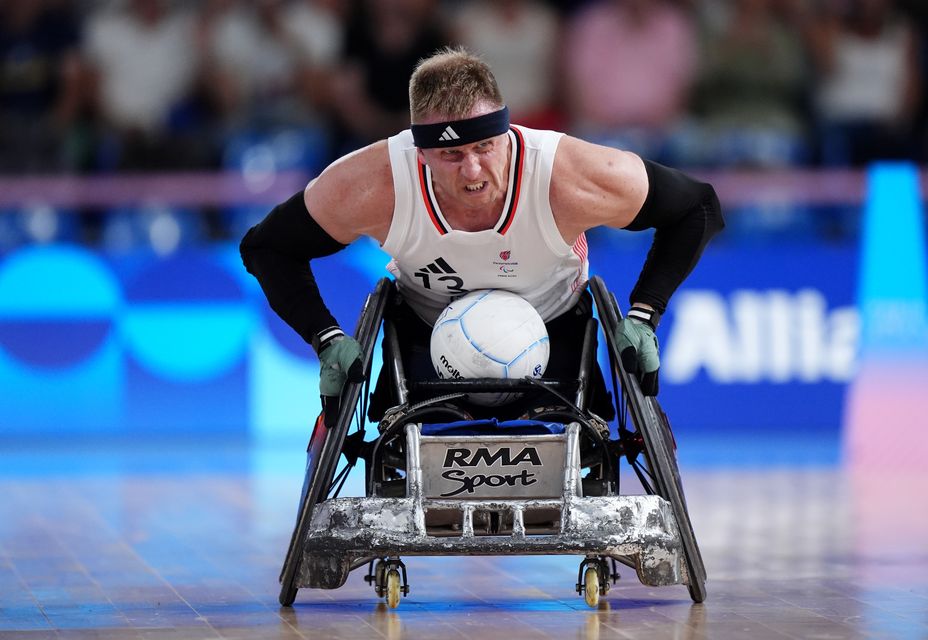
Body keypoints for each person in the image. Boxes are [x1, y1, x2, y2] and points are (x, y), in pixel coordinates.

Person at [240, 47, 724, 426]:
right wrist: (325, 338)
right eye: (451, 156)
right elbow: (266, 246)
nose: (473, 170)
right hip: (425, 345)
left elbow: (699, 207)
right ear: (419, 152)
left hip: (555, 337)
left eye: (485, 146)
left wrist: (644, 314)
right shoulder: (372, 184)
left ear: (506, 131)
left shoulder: (565, 173)